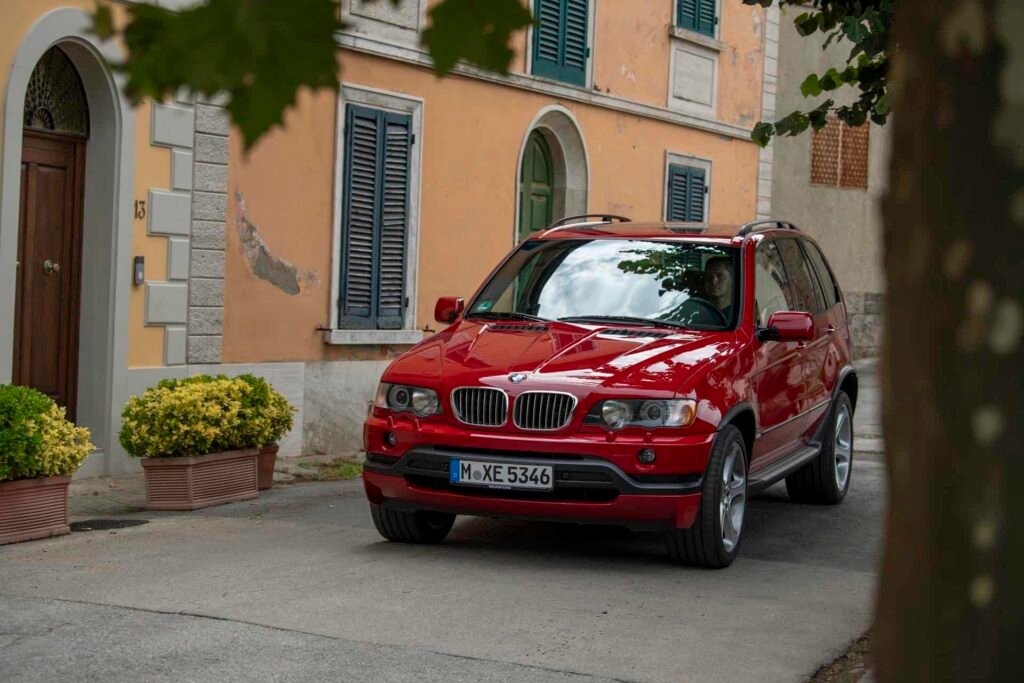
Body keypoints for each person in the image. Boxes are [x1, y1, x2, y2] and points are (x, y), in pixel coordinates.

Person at [704, 256, 734, 321]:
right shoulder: (696, 311)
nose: (713, 281)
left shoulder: (739, 315)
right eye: (709, 277)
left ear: (732, 280)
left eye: (720, 276)